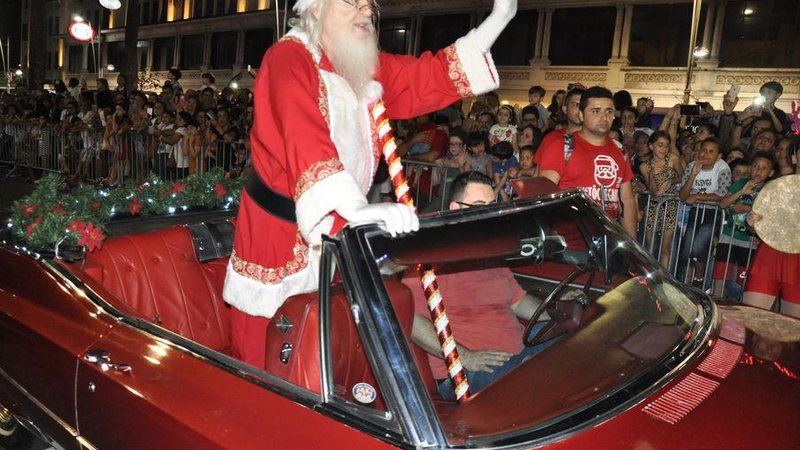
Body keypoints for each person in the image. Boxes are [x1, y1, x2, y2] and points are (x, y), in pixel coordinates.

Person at [223, 0, 518, 369]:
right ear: (314, 8)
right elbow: (303, 135)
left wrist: (499, 18)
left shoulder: (360, 66)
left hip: (343, 227)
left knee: (323, 348)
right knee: (265, 350)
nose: (365, 10)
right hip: (280, 236)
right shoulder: (288, 57)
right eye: (351, 1)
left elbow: (427, 76)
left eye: (369, 4)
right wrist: (357, 209)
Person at [405, 171, 550, 399]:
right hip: (469, 372)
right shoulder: (427, 259)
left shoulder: (487, 249)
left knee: (574, 337)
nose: (489, 214)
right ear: (455, 208)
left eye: (492, 206)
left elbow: (518, 301)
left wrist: (554, 314)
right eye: (480, 206)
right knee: (545, 373)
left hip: (520, 352)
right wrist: (466, 357)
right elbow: (411, 321)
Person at [535, 86, 638, 238]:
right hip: (567, 245)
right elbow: (543, 196)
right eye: (596, 111)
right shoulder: (561, 146)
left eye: (609, 111)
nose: (604, 117)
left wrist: (631, 249)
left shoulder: (620, 151)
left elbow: (627, 201)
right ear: (582, 115)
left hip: (605, 243)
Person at [713, 151, 775, 299]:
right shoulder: (740, 184)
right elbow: (723, 204)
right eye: (755, 166)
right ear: (750, 168)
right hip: (729, 236)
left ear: (771, 172)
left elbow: (768, 216)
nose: (758, 170)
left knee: (743, 279)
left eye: (763, 168)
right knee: (720, 275)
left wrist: (745, 208)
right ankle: (717, 304)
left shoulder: (769, 191)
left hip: (750, 241)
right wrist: (741, 191)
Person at [640, 131, 682, 267]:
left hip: (670, 206)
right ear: (651, 146)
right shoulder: (644, 166)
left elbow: (682, 176)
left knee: (665, 247)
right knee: (649, 245)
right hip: (653, 206)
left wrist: (670, 182)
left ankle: (664, 279)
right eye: (660, 145)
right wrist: (652, 174)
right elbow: (653, 191)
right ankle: (649, 276)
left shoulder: (673, 159)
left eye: (666, 146)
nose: (663, 149)